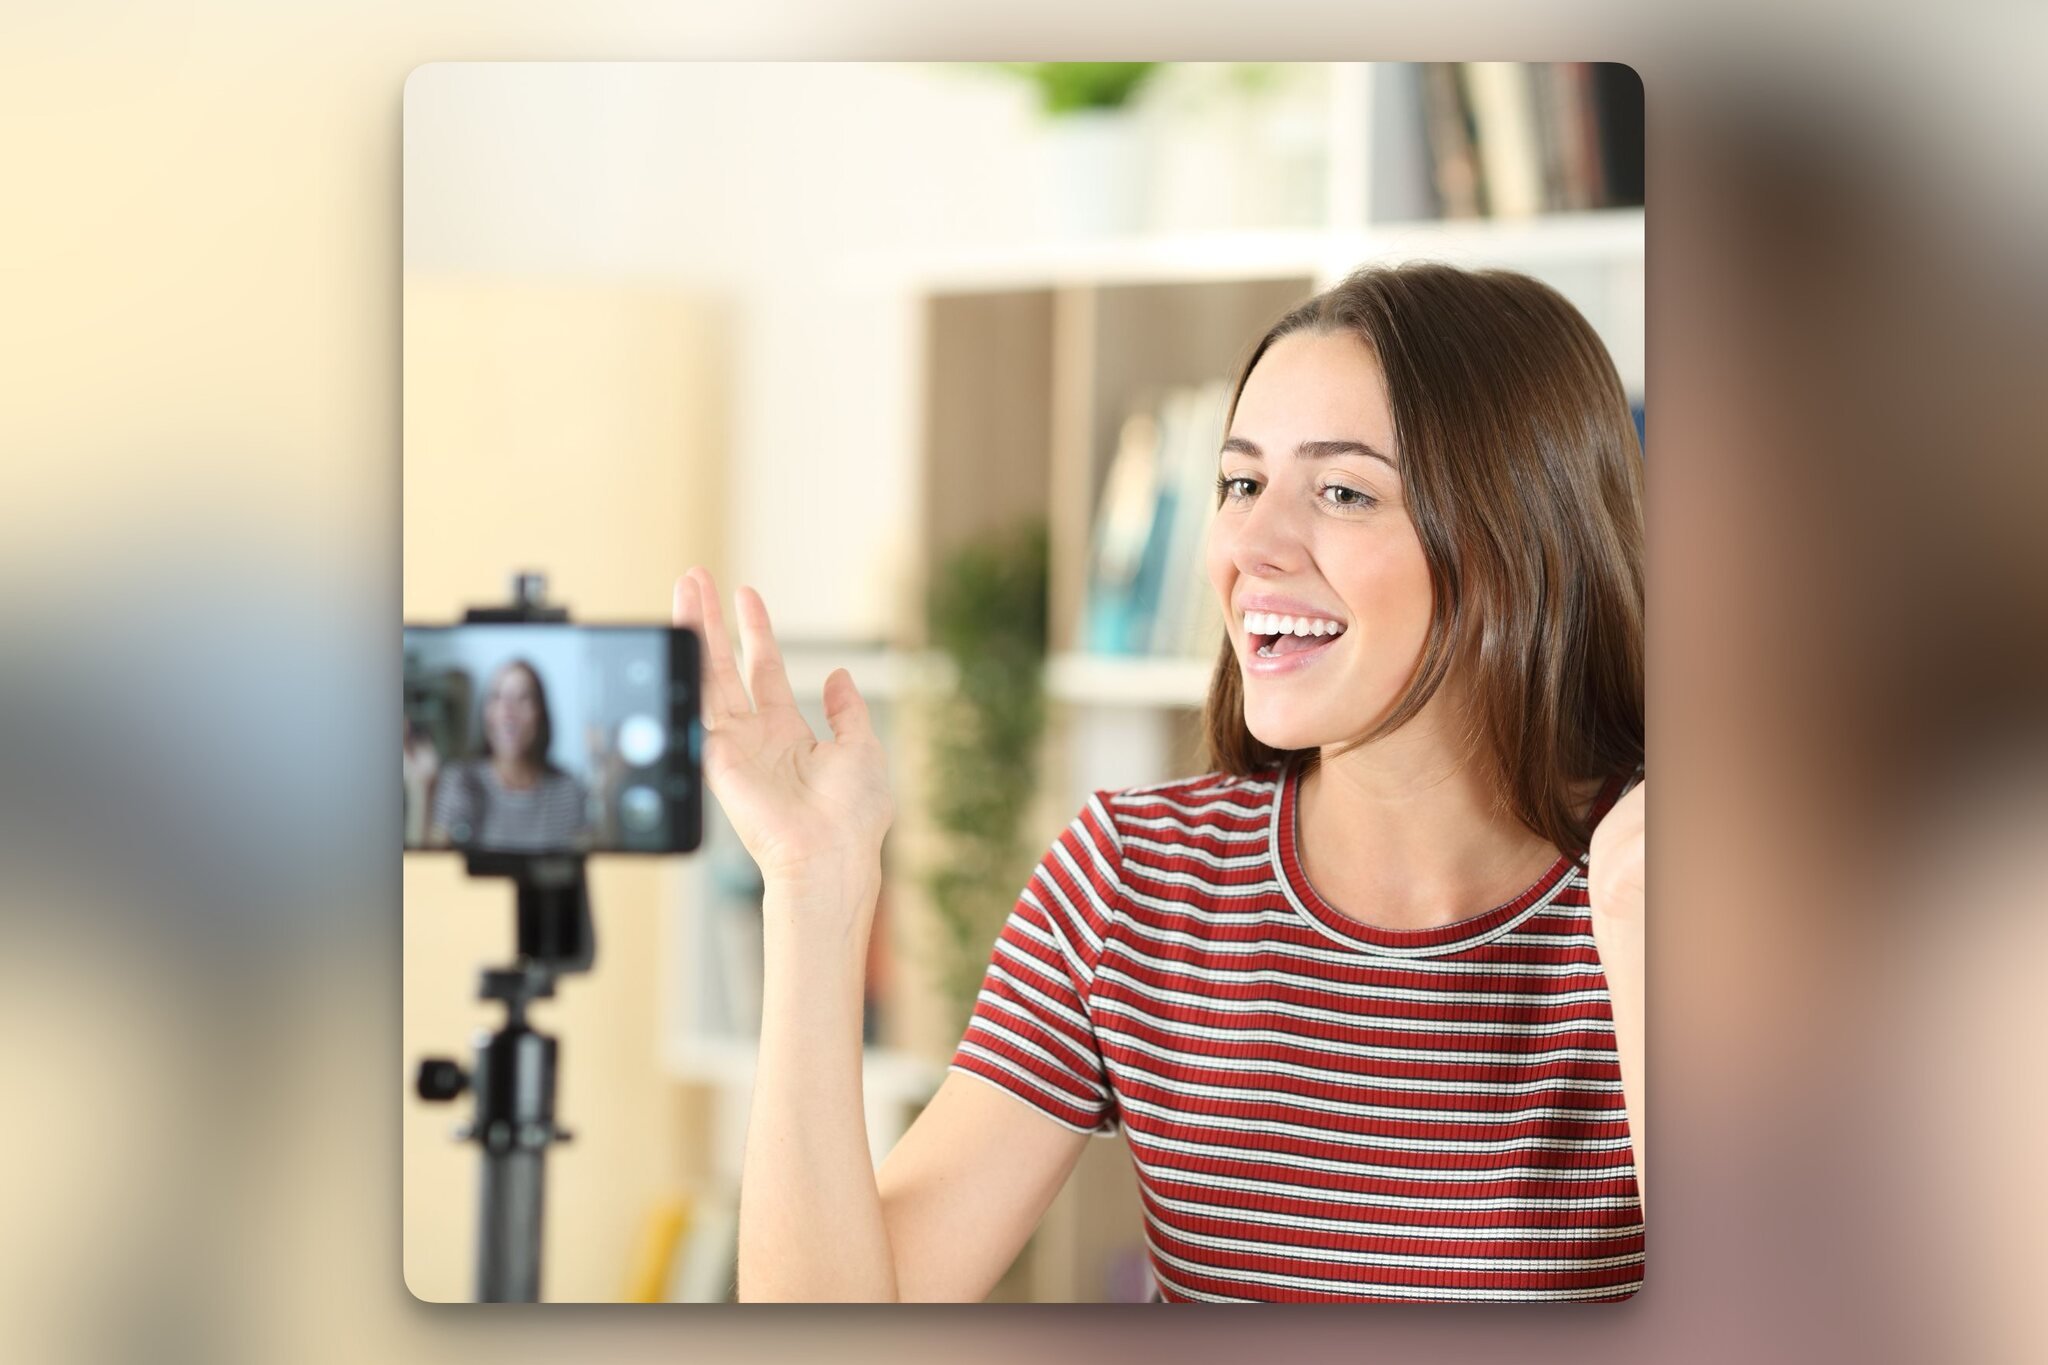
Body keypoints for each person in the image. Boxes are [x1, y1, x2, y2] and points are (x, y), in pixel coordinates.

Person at [674, 261, 1646, 1303]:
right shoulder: (1133, 881)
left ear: (1519, 540)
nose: (1248, 548)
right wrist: (813, 891)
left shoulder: (1675, 886)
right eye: (1240, 482)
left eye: (1342, 491)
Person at [408, 658, 591, 853]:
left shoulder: (567, 789)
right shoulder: (460, 781)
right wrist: (424, 789)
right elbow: (434, 865)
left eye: (523, 699)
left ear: (540, 713)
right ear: (485, 711)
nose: (507, 713)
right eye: (497, 698)